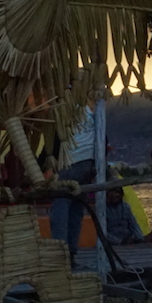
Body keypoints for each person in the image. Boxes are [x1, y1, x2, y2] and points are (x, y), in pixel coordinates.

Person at [48, 104, 97, 268]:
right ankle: (71, 254)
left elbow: (55, 140)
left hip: (71, 161)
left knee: (60, 209)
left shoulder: (64, 109)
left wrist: (42, 164)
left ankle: (60, 256)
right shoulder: (90, 111)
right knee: (76, 209)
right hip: (88, 162)